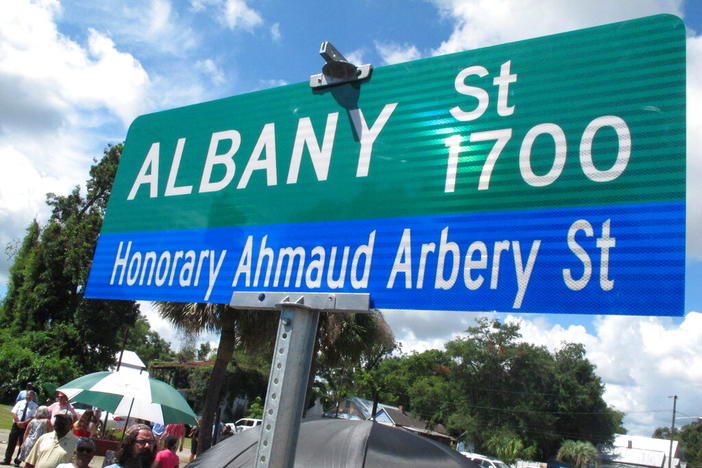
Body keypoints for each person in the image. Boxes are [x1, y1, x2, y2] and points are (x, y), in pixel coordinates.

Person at [3, 390, 38, 466]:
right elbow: (14, 412)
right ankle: (7, 459)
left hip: (25, 427)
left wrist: (23, 423)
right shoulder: (20, 403)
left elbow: (33, 416)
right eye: (27, 395)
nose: (28, 397)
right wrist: (18, 422)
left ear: (33, 397)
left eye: (30, 395)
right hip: (16, 425)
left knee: (22, 444)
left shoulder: (35, 406)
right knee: (11, 442)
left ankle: (17, 461)